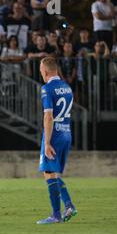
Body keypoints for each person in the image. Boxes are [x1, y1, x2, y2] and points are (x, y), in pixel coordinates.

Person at [36, 56, 77, 224]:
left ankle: (59, 213)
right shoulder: (67, 87)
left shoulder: (47, 89)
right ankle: (64, 208)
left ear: (45, 71)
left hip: (54, 135)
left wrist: (47, 142)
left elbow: (48, 115)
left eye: (40, 70)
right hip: (66, 132)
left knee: (48, 173)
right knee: (52, 173)